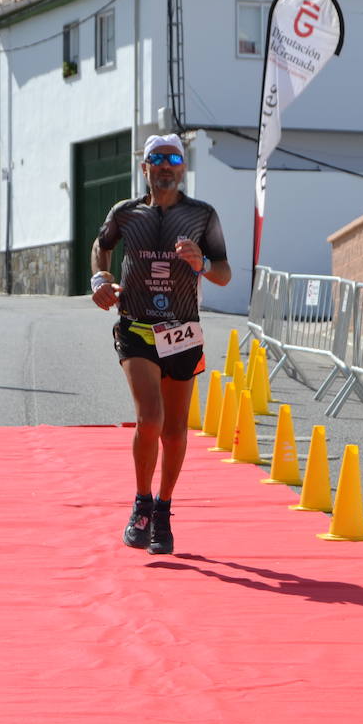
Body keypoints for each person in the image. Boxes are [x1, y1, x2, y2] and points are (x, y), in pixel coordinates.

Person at [90, 133, 232, 554]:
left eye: (173, 158)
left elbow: (224, 272)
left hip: (182, 331)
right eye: (157, 158)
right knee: (149, 418)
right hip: (136, 326)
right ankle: (141, 501)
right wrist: (100, 278)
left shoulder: (202, 216)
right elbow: (102, 244)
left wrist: (201, 263)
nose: (166, 165)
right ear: (145, 166)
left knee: (174, 430)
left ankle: (164, 509)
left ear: (182, 168)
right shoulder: (127, 213)